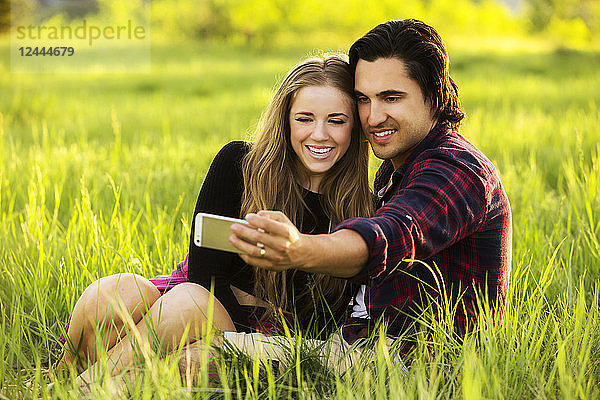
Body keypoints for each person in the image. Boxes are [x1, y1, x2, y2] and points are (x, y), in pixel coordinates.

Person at [54, 54, 373, 383]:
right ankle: (57, 376)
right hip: (196, 297)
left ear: (355, 126)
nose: (319, 134)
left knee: (190, 303)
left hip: (253, 331)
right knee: (118, 290)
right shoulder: (240, 163)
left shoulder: (362, 210)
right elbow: (205, 275)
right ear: (286, 120)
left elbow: (325, 317)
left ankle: (83, 387)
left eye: (336, 120)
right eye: (305, 119)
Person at [229, 19, 512, 354]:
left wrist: (299, 249)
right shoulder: (396, 166)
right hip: (356, 344)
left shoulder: (457, 170)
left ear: (434, 96)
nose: (373, 117)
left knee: (201, 351)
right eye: (363, 99)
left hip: (412, 363)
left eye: (391, 98)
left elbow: (391, 235)